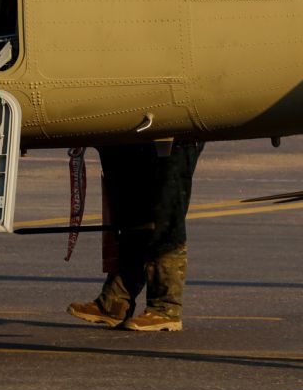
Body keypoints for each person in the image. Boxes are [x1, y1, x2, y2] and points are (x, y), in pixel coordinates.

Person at [68, 141, 205, 331]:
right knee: (128, 211)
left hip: (171, 132)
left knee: (163, 210)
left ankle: (165, 308)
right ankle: (116, 301)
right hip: (127, 133)